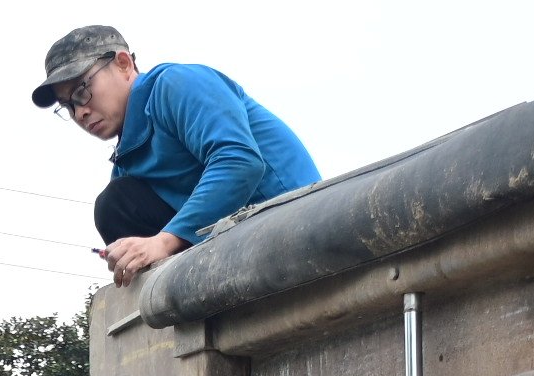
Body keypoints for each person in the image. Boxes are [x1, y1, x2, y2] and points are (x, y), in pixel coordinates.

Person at [32, 24, 321, 287]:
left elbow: (239, 162)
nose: (79, 112)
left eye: (82, 91)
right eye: (68, 106)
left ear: (123, 63)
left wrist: (164, 242)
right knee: (114, 206)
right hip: (230, 248)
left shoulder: (177, 83)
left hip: (293, 222)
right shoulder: (127, 163)